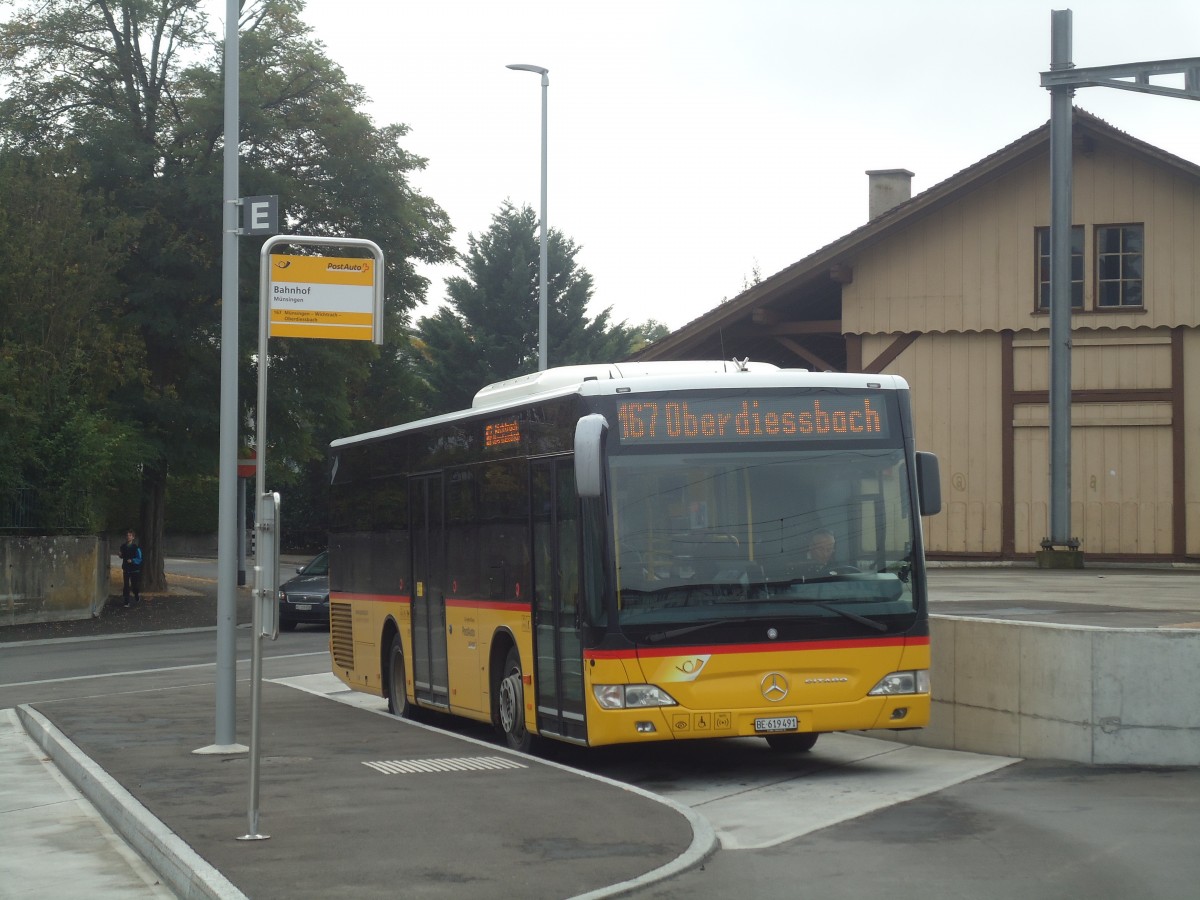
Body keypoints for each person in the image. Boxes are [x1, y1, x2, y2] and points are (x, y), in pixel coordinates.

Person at [119, 529, 143, 607]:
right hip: (126, 568)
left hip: (134, 569)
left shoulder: (136, 547)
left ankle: (136, 595)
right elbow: (122, 555)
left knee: (134, 586)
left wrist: (132, 560)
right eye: (127, 535)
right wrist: (120, 555)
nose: (128, 537)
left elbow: (139, 558)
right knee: (126, 585)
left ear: (133, 537)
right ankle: (126, 602)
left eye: (130, 535)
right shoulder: (123, 547)